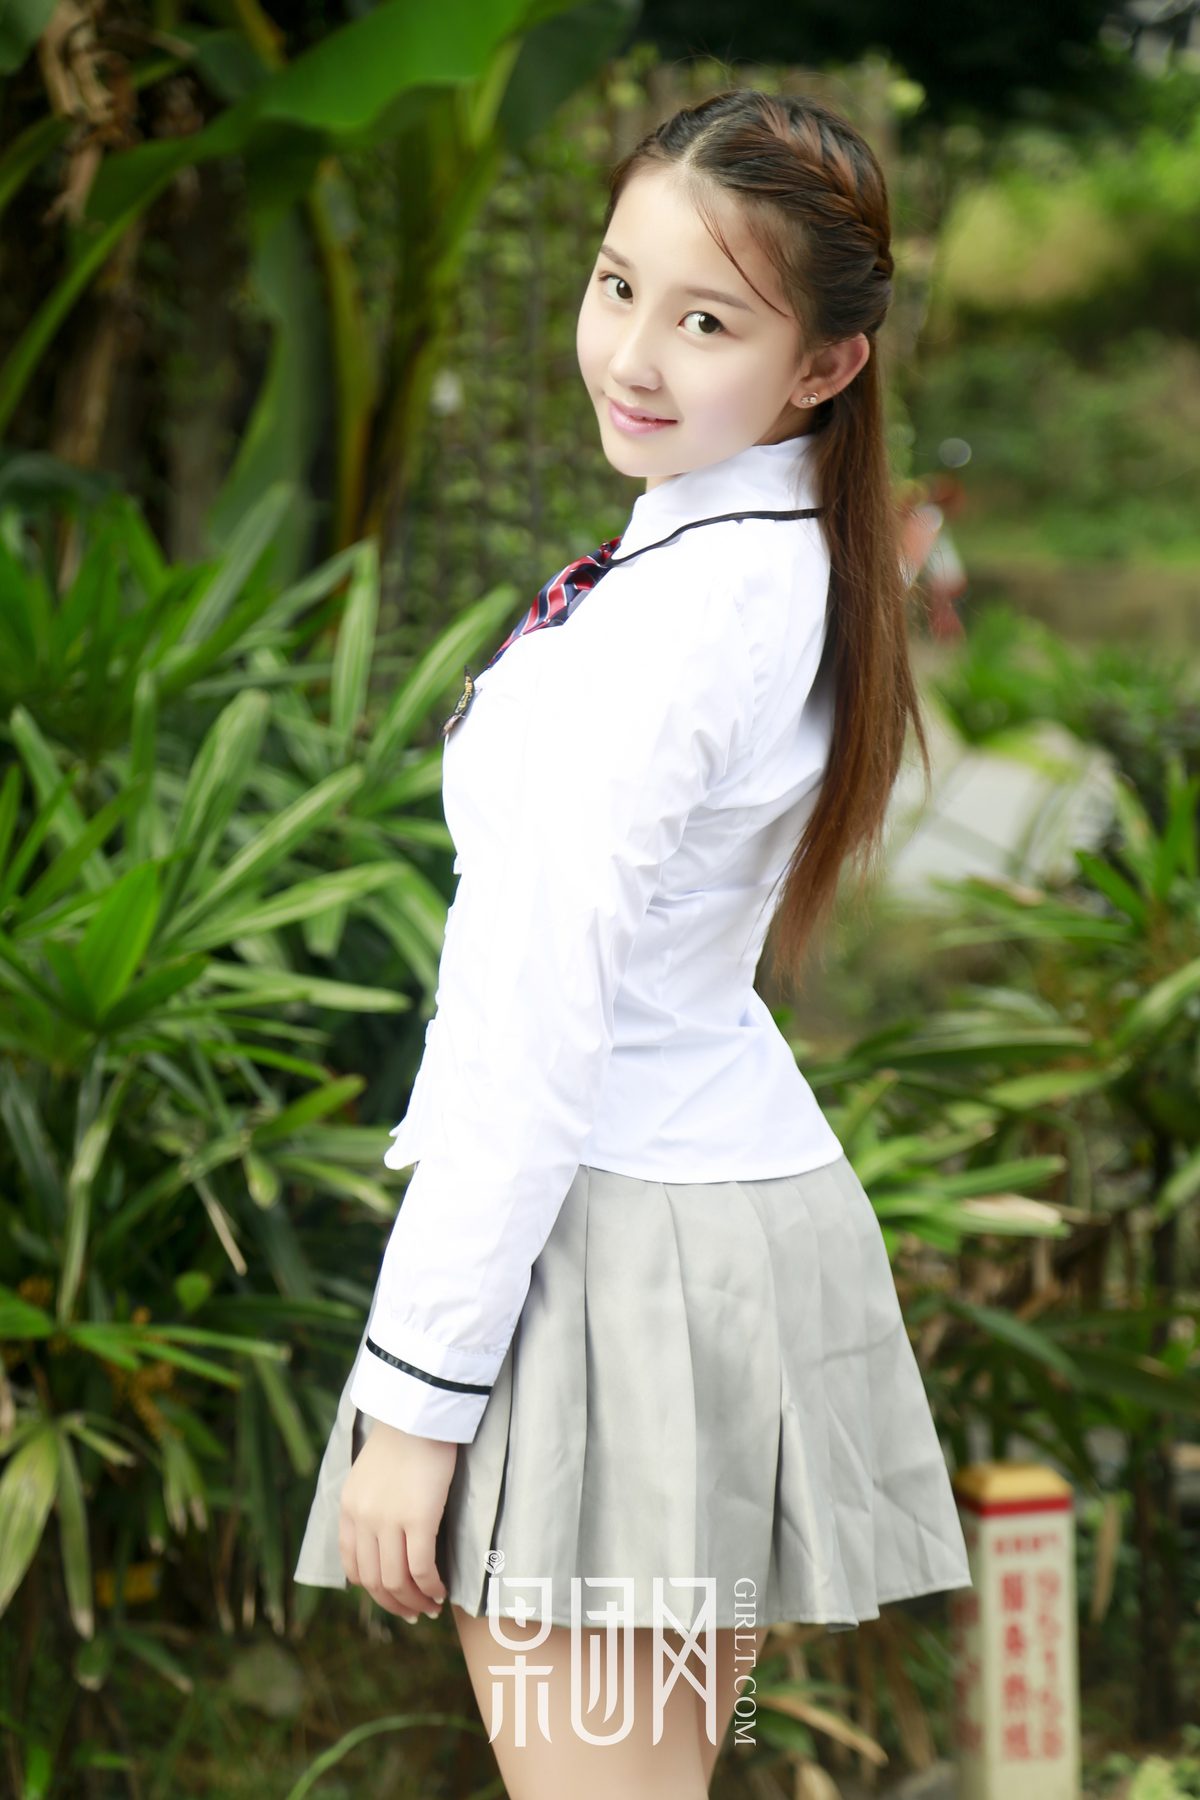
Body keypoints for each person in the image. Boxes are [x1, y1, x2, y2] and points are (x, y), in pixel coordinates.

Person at [293, 87, 973, 1798]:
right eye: (617, 285)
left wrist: (415, 1407)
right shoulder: (782, 560)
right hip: (717, 1235)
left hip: (611, 1252)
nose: (634, 356)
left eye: (708, 321)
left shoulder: (671, 627)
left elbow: (533, 1043)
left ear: (825, 366)